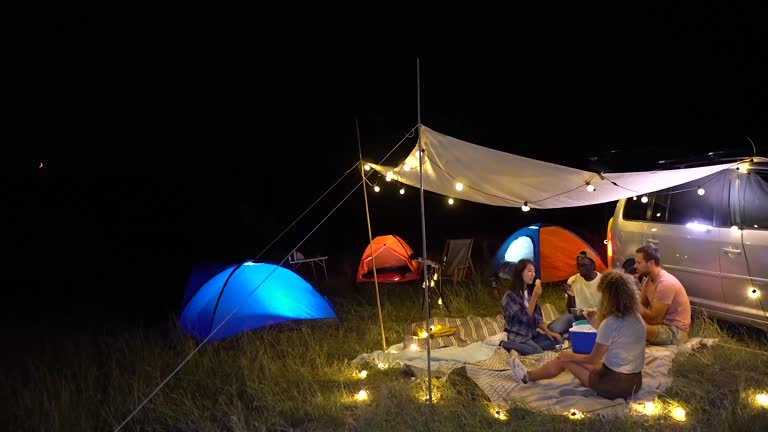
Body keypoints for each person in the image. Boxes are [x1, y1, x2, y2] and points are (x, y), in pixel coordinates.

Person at [511, 270, 646, 400]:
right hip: (635, 382)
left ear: (609, 297)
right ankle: (534, 374)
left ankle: (528, 376)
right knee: (587, 362)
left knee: (563, 359)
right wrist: (596, 324)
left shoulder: (610, 323)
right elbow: (617, 339)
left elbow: (593, 358)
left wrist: (569, 355)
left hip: (614, 386)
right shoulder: (637, 318)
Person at [499, 259, 561, 355]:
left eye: (534, 271)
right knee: (537, 352)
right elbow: (525, 318)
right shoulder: (509, 296)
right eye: (529, 271)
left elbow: (536, 317)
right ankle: (505, 344)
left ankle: (523, 349)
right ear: (520, 273)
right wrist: (534, 296)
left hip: (531, 335)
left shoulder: (528, 292)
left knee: (557, 341)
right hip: (518, 336)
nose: (533, 274)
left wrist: (548, 332)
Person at [634, 245, 691, 345]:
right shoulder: (649, 279)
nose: (635, 266)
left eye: (638, 262)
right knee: (624, 323)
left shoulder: (665, 283)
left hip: (676, 332)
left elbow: (654, 319)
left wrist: (634, 305)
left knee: (634, 328)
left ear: (650, 263)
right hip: (661, 326)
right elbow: (641, 305)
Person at [547, 250, 603, 338]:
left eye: (584, 265)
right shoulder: (573, 280)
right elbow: (570, 310)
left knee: (593, 333)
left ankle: (570, 334)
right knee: (553, 329)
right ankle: (571, 333)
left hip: (597, 320)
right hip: (578, 318)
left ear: (593, 265)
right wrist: (570, 295)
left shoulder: (603, 281)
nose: (581, 268)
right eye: (579, 265)